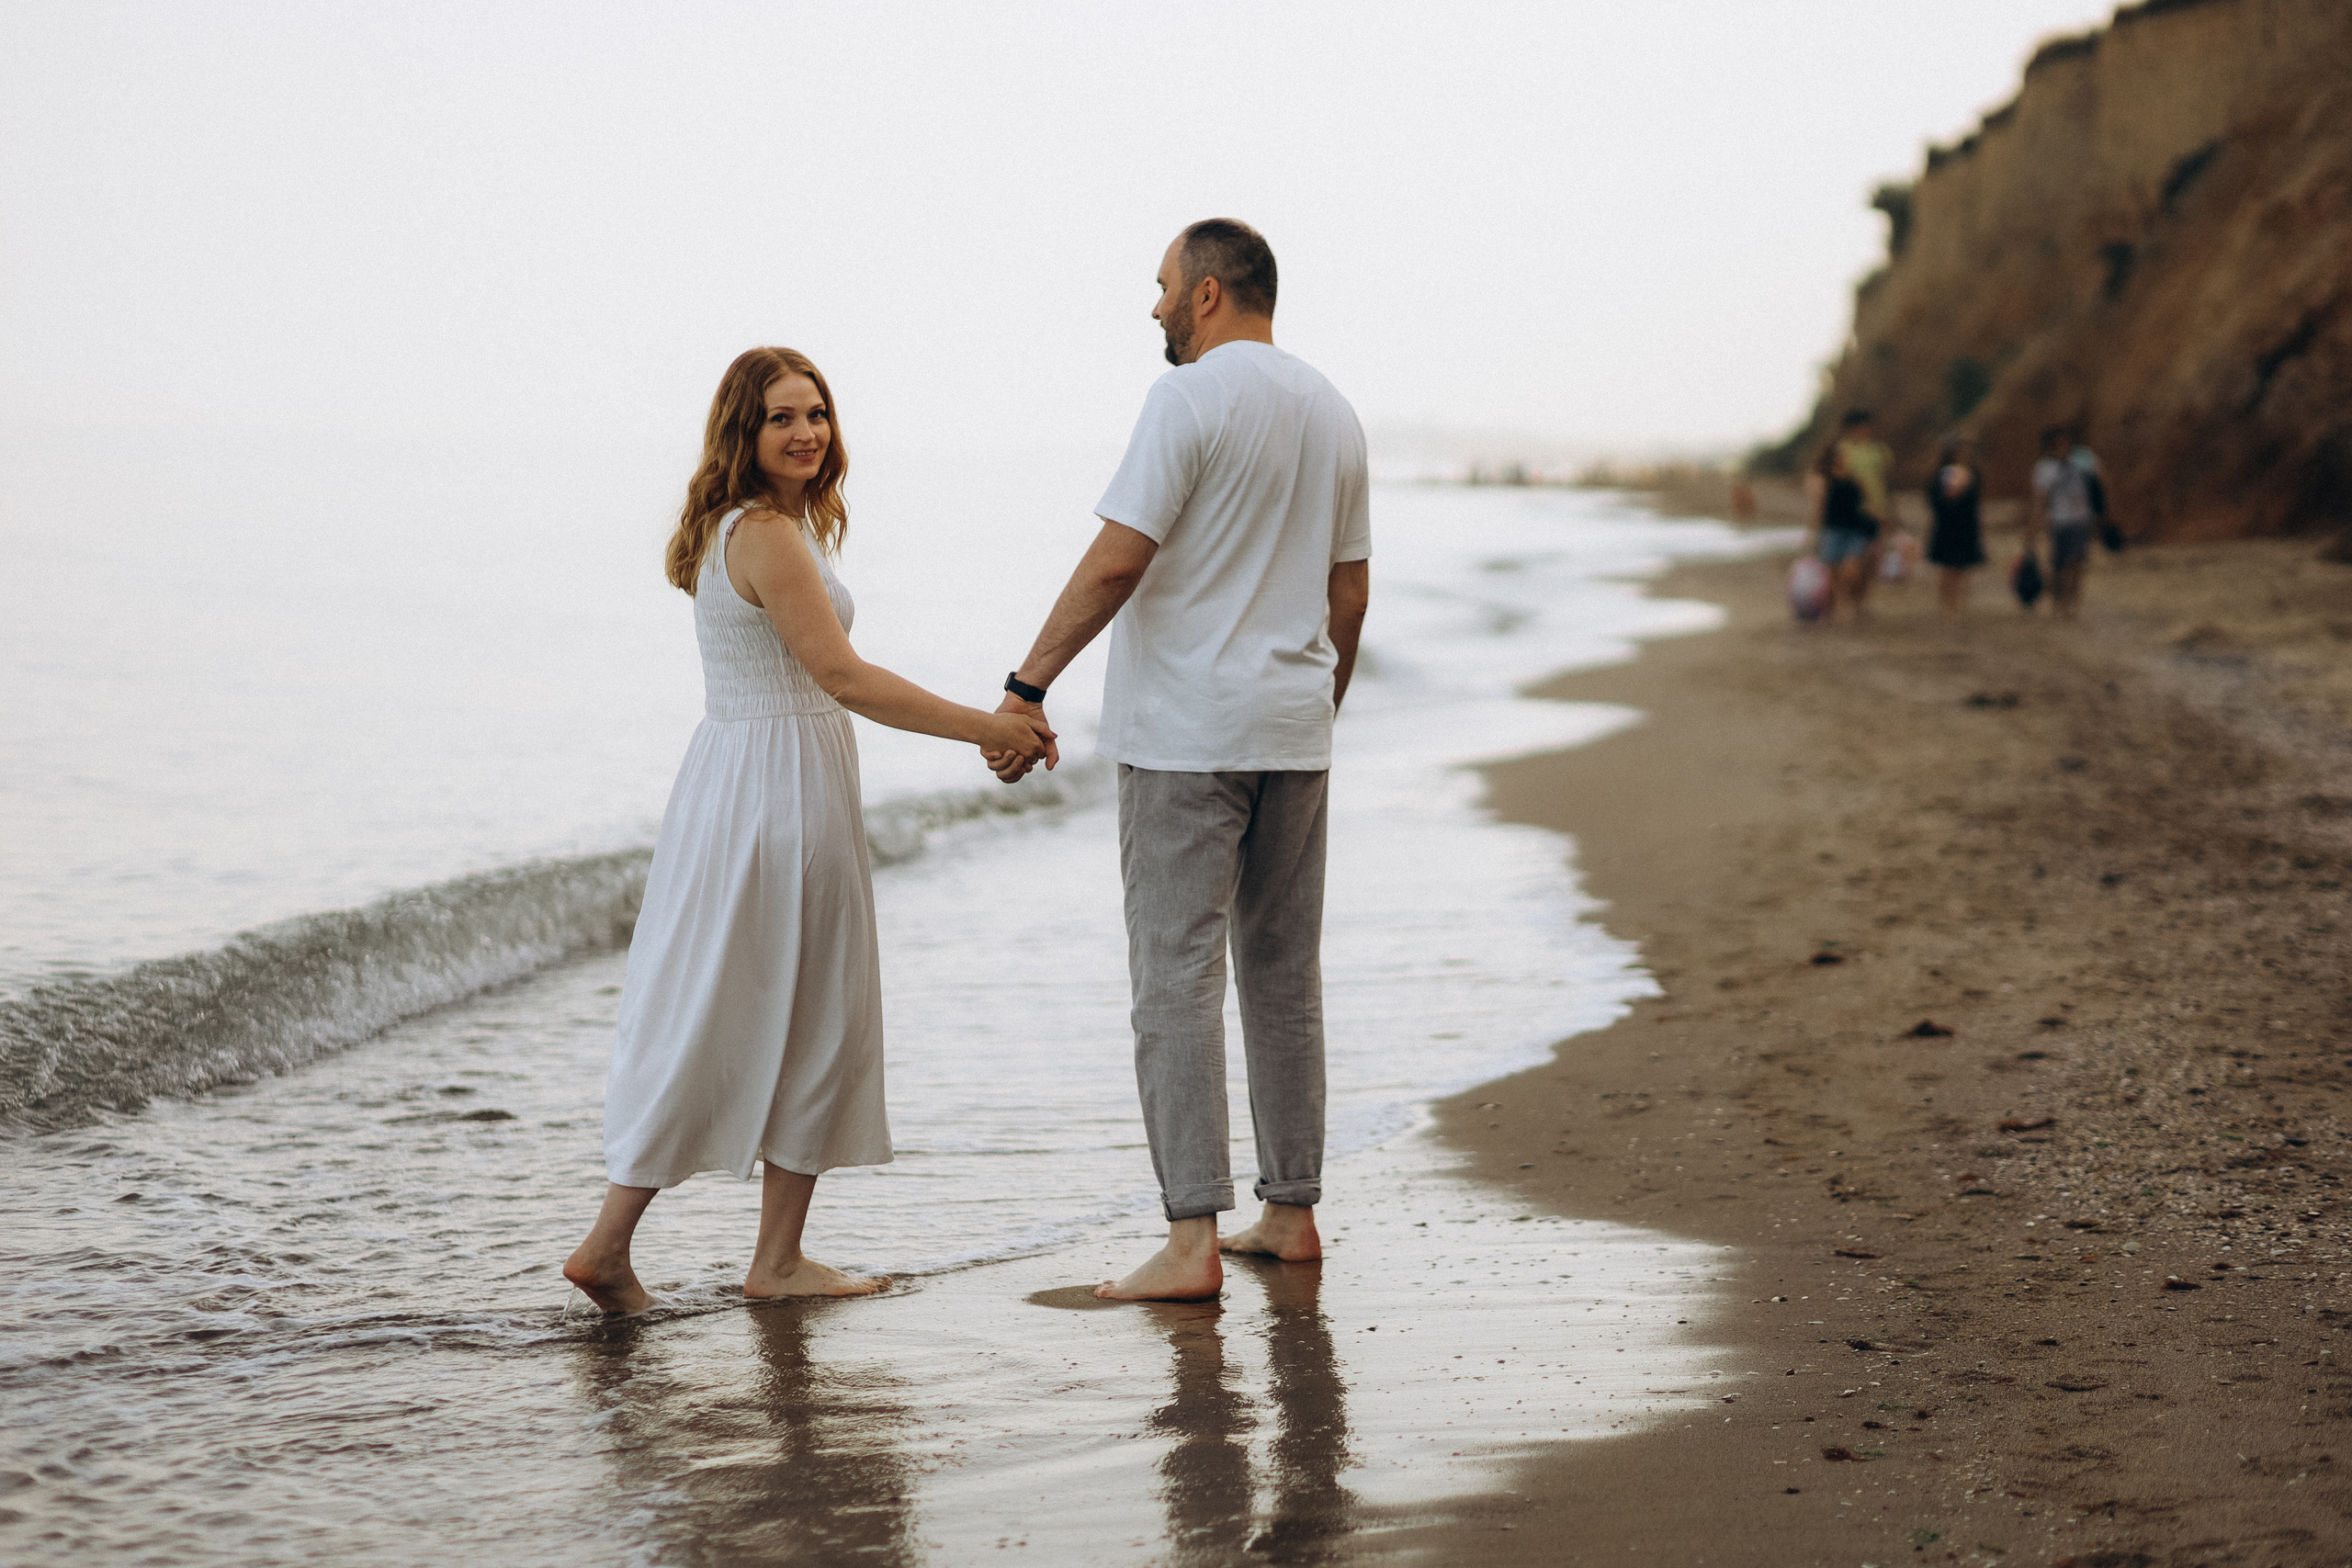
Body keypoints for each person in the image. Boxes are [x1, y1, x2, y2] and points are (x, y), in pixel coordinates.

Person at [562, 348, 1054, 1314]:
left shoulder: (748, 527)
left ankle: (760, 1257)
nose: (806, 432)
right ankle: (639, 1248)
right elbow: (845, 678)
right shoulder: (767, 536)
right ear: (741, 433)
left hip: (750, 784)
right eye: (781, 416)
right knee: (784, 1013)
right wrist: (989, 727)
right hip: (777, 794)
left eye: (817, 413)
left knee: (749, 1009)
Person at [982, 219, 1371, 1303]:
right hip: (1293, 735)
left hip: (1186, 737)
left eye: (1161, 288)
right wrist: (1310, 710)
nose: (1153, 308)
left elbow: (1118, 559)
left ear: (1207, 293)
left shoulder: (1186, 400)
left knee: (1176, 983)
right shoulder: (1332, 411)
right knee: (1283, 977)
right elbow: (1350, 595)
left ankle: (1191, 1242)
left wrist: (1026, 685)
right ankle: (1289, 1216)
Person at [2030, 423, 2098, 617]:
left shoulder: (2083, 458)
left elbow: (2101, 483)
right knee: (2059, 565)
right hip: (2058, 522)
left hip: (2080, 519)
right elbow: (2039, 500)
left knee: (2076, 562)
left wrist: (2103, 513)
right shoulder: (2044, 468)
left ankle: (2072, 602)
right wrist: (2034, 527)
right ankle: (2059, 603)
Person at [1835, 409, 1896, 607]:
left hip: (1877, 512)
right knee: (1853, 560)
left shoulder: (1879, 451)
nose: (1865, 430)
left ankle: (1860, 600)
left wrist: (1892, 511)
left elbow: (1888, 482)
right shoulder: (1842, 451)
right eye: (1860, 427)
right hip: (1852, 514)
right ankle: (1847, 599)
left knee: (1872, 559)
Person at [1810, 438, 1874, 622]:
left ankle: (1850, 604)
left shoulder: (1855, 477)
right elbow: (1819, 507)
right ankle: (1830, 611)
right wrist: (1814, 533)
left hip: (1854, 529)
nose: (1844, 457)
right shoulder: (1824, 479)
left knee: (1852, 571)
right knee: (1831, 574)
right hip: (1832, 530)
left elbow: (1866, 501)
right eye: (1841, 454)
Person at [1925, 436, 1985, 615]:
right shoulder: (1940, 475)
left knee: (1961, 566)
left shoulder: (1972, 473)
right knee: (1947, 566)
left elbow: (1975, 501)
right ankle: (1947, 602)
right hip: (1947, 524)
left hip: (1965, 525)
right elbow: (1936, 500)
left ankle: (1957, 602)